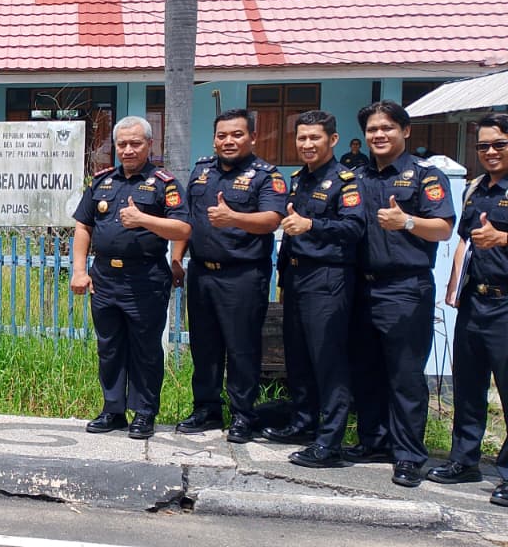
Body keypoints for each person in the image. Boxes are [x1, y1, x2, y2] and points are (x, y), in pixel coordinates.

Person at [346, 100, 455, 487]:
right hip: (362, 287)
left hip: (405, 288)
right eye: (373, 129)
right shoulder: (356, 177)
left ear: (405, 132)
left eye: (387, 128)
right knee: (367, 369)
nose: (379, 135)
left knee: (405, 376)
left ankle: (408, 455)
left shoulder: (425, 176)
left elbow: (443, 228)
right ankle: (373, 441)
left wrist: (406, 220)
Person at [70, 116, 190, 439]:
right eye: (121, 144)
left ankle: (144, 413)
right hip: (106, 278)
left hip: (146, 278)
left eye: (135, 143)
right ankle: (113, 410)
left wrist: (143, 220)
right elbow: (83, 226)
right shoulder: (102, 182)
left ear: (150, 145)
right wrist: (80, 270)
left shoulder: (164, 183)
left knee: (146, 348)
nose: (127, 150)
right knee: (109, 347)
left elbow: (182, 228)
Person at [171, 109, 285, 443]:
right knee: (204, 347)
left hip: (243, 275)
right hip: (202, 272)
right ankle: (206, 409)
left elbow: (272, 219)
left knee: (241, 349)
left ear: (252, 137)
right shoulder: (202, 171)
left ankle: (242, 415)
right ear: (214, 139)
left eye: (236, 134)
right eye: (222, 135)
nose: (229, 141)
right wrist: (177, 258)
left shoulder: (266, 175)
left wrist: (233, 217)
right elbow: (188, 221)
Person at [267, 110, 367, 468]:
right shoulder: (299, 179)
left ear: (333, 140)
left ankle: (330, 441)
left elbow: (355, 228)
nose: (307, 144)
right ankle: (303, 423)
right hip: (296, 278)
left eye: (315, 138)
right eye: (302, 138)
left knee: (328, 361)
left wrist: (312, 225)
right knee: (299, 358)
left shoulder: (346, 181)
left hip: (328, 279)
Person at [428, 113, 508, 507]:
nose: (490, 152)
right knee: (469, 386)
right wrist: (454, 283)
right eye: (483, 146)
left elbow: (492, 239)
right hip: (476, 301)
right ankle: (465, 460)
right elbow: (464, 240)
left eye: (498, 144)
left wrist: (503, 237)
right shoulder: (476, 187)